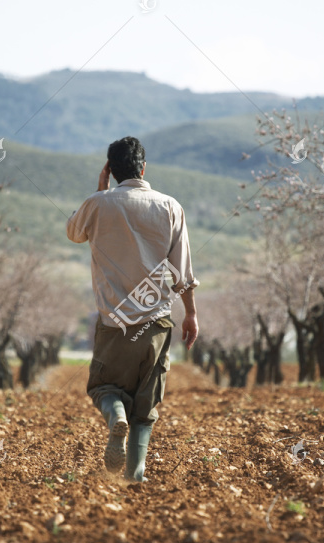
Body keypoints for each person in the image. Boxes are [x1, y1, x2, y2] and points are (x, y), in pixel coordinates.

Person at [66, 136, 199, 482]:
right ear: (143, 168)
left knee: (104, 388)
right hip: (155, 324)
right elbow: (182, 272)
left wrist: (99, 191)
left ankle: (114, 417)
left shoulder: (98, 205)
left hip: (113, 323)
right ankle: (135, 473)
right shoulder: (170, 206)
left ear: (111, 169)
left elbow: (73, 233)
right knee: (146, 407)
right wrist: (191, 314)